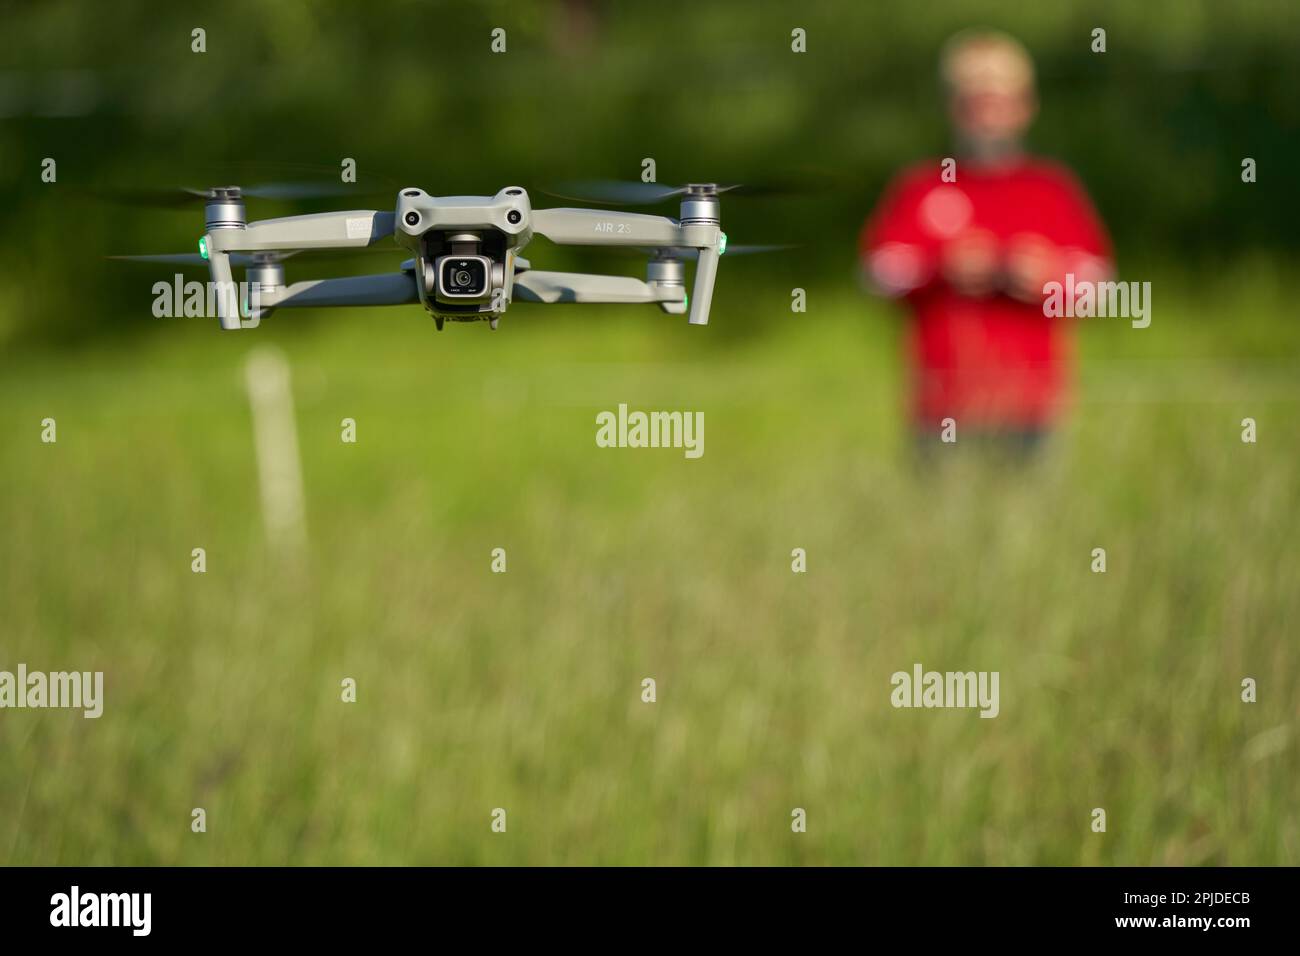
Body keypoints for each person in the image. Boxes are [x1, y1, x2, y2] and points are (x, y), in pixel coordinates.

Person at [860, 30, 1112, 458]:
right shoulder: (921, 187)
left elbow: (1100, 287)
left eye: (1001, 100)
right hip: (942, 404)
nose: (988, 115)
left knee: (1034, 524)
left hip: (1032, 406)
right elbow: (877, 273)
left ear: (1025, 105)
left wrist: (1045, 276)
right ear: (953, 107)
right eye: (975, 101)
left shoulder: (1051, 190)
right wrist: (942, 267)